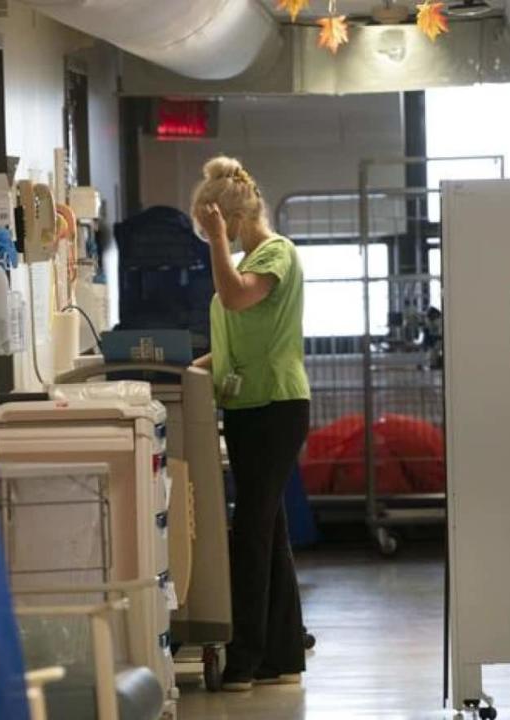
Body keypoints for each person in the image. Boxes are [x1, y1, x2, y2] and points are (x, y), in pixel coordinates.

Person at [190, 156, 311, 692]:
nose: (214, 242)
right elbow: (238, 338)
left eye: (213, 229)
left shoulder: (275, 254)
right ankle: (283, 653)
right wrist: (195, 368)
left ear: (231, 220)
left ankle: (247, 657)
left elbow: (238, 296)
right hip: (246, 407)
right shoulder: (247, 260)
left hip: (275, 408)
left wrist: (218, 241)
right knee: (270, 528)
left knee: (253, 533)